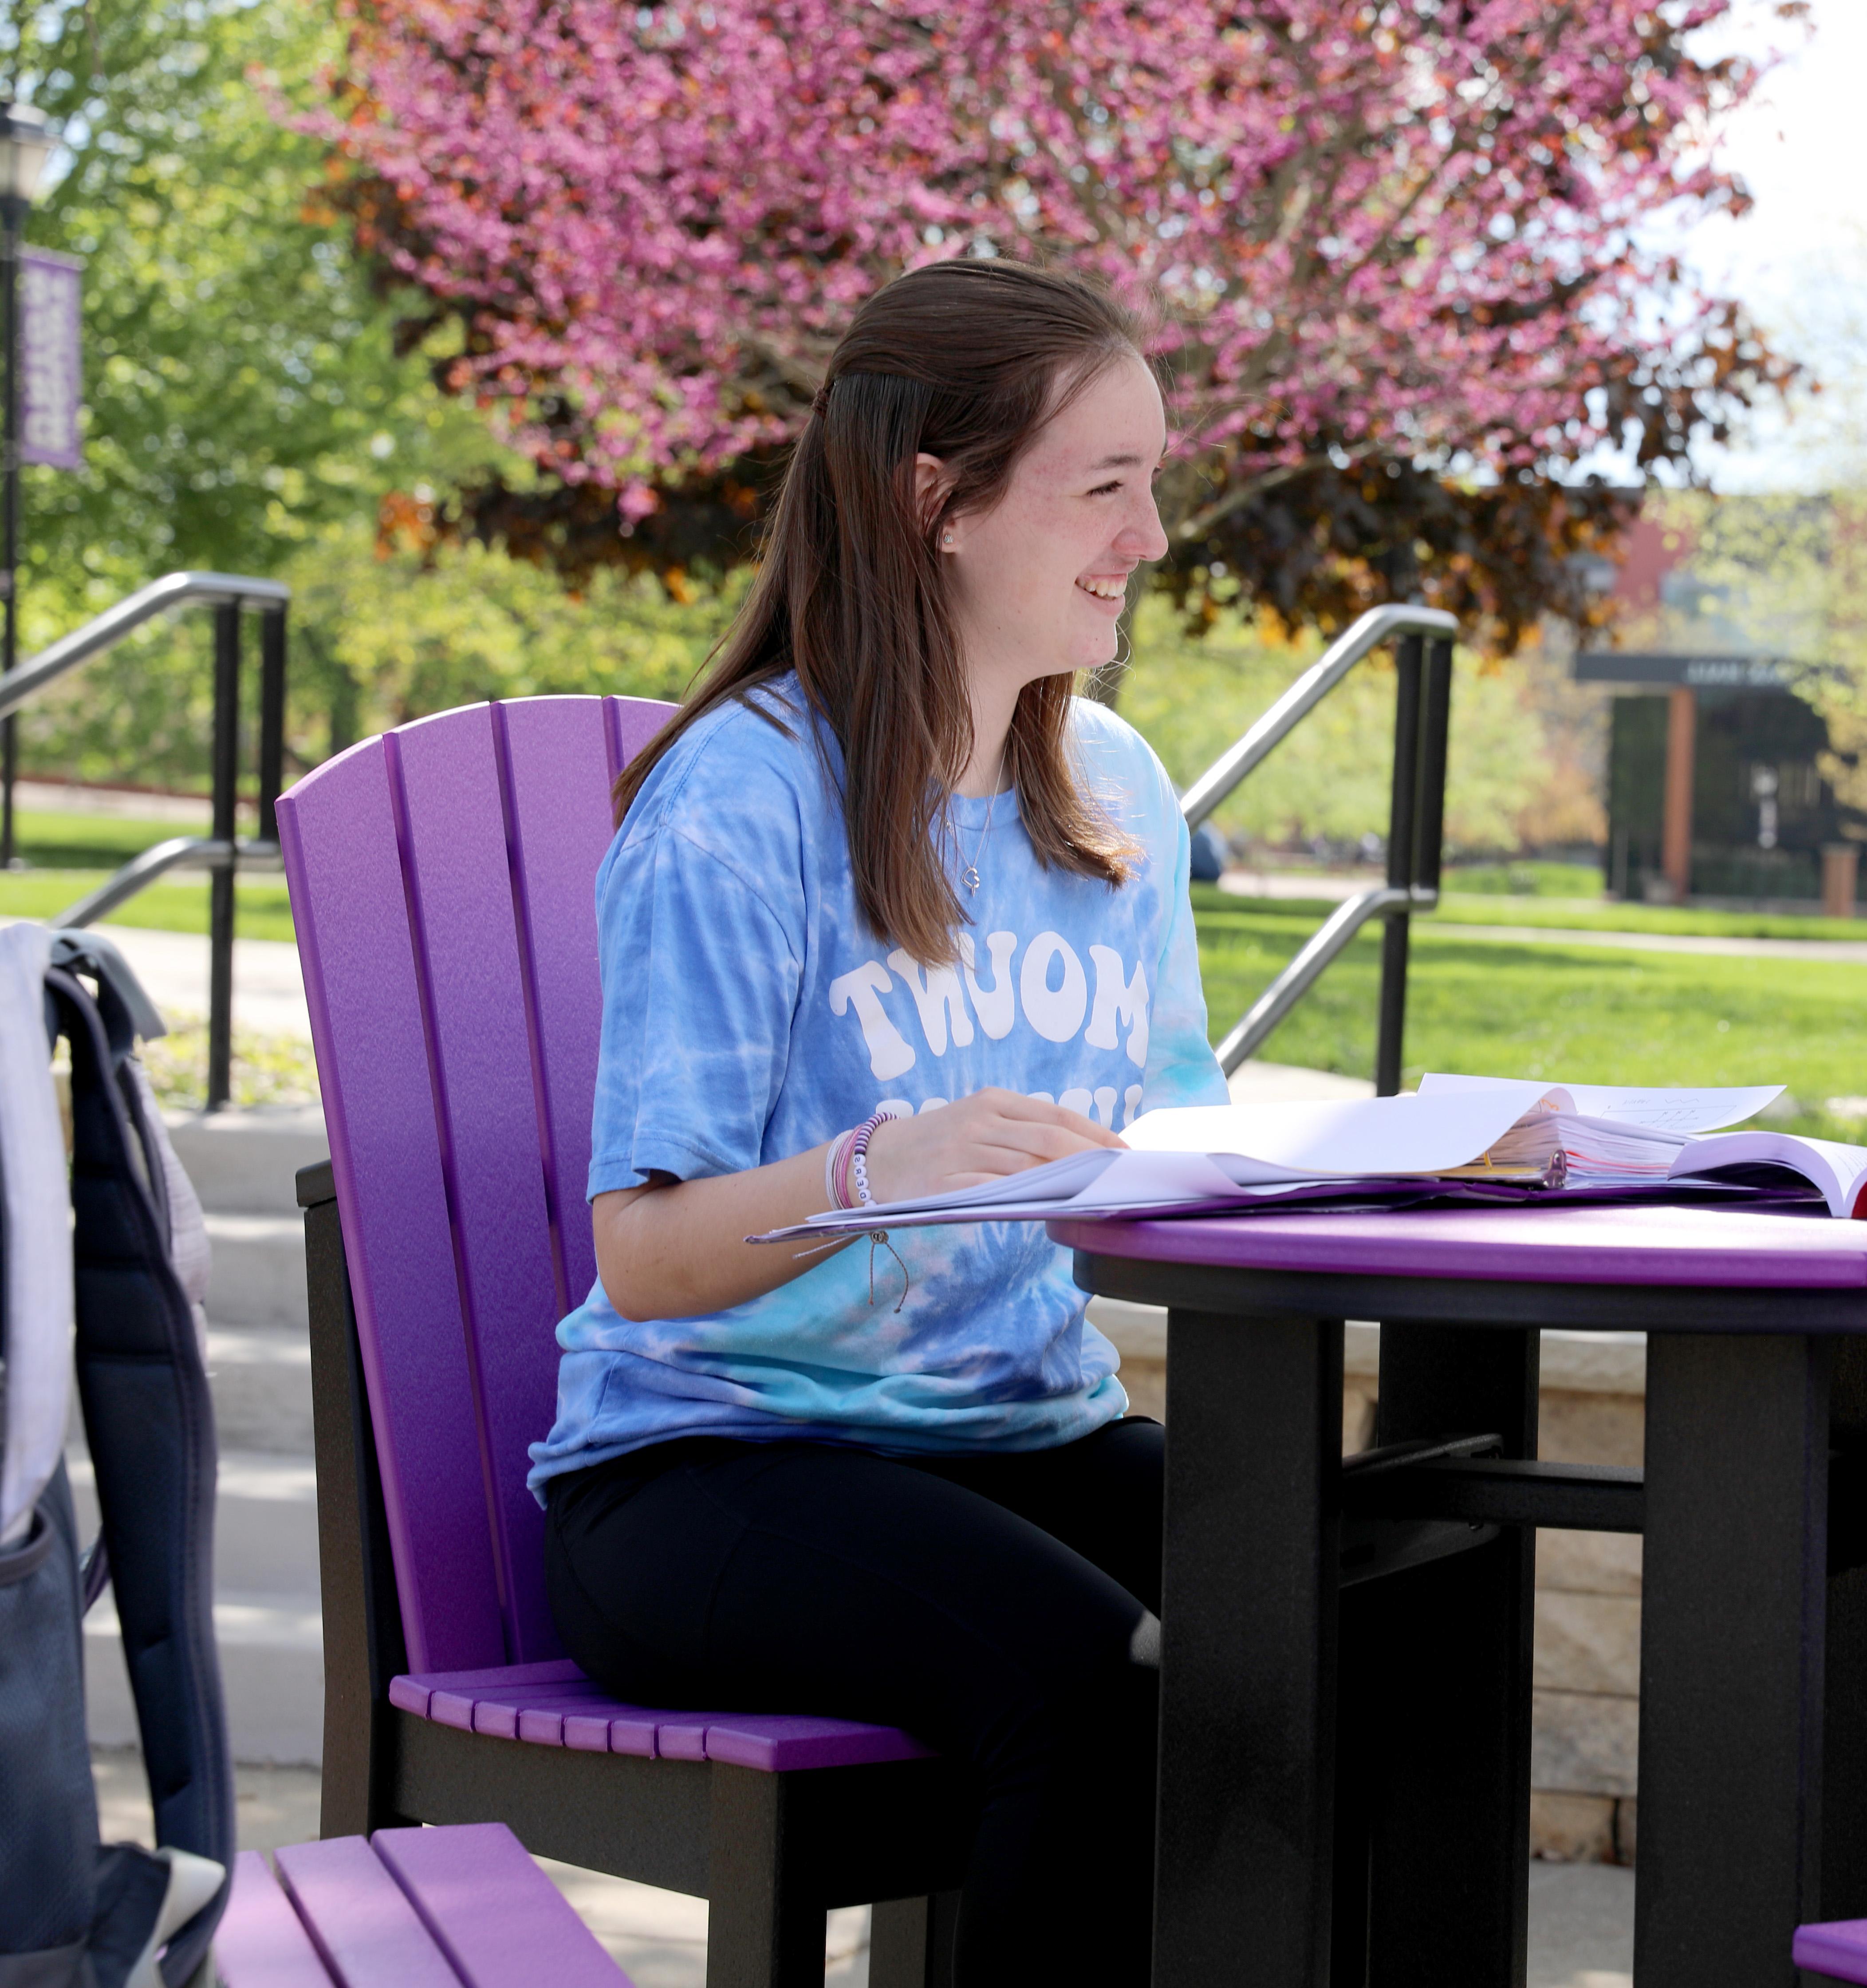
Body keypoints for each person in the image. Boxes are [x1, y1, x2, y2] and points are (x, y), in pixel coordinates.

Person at [527, 258, 1223, 1982]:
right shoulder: (741, 805)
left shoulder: (1116, 797)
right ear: (938, 500)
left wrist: (1416, 1172)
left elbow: (1188, 1151)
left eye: (1157, 479)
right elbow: (645, 1256)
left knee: (1366, 1602)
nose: (1152, 533)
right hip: (708, 1470)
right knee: (1100, 1682)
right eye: (1106, 485)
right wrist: (864, 1174)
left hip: (1018, 1437)